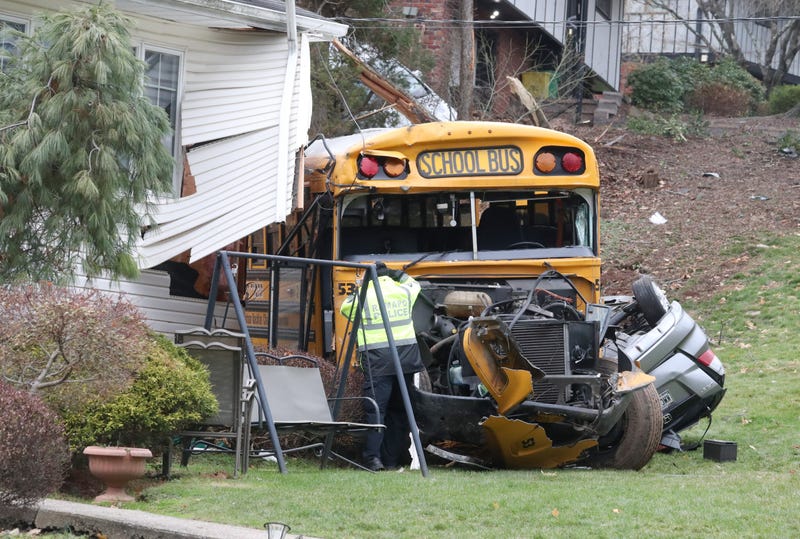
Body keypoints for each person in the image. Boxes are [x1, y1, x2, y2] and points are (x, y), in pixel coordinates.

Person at [339, 261, 424, 471]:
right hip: (405, 360)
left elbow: (344, 309)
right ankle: (391, 459)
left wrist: (361, 286)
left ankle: (372, 459)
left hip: (378, 361)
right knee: (399, 409)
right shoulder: (403, 290)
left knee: (376, 410)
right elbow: (415, 284)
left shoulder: (363, 295)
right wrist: (397, 274)